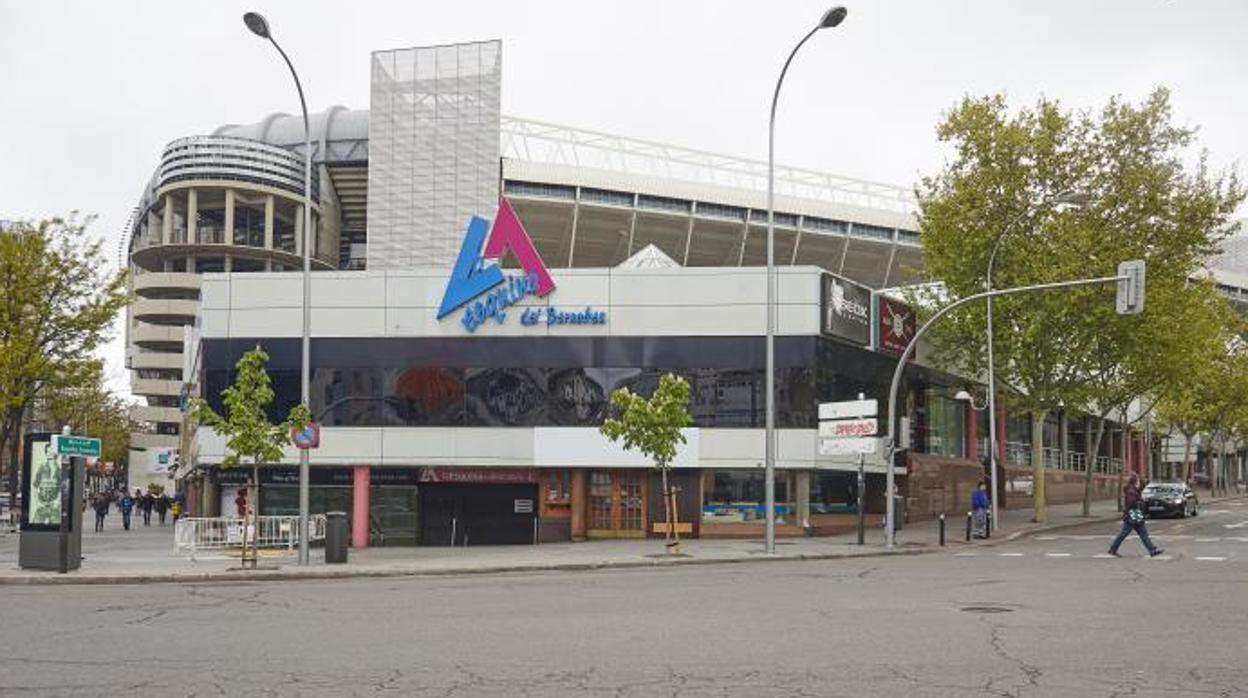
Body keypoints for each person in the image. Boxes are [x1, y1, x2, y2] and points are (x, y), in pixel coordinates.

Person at [1108, 473, 1163, 558]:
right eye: (1138, 481)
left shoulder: (1133, 490)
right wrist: (1140, 503)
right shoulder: (1131, 491)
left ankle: (1152, 549)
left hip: (1134, 515)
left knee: (1142, 533)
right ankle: (1113, 549)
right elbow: (1131, 503)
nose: (1139, 483)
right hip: (1132, 515)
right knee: (1125, 533)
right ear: (1135, 481)